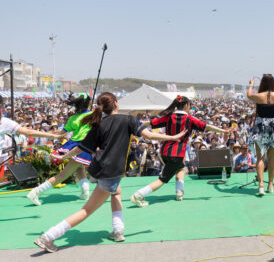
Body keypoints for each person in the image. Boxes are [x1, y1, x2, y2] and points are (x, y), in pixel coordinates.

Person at [34, 92, 186, 253]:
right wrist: (174, 137)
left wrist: (64, 155)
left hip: (98, 168)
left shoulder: (99, 123)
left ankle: (118, 230)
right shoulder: (129, 120)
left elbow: (81, 147)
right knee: (86, 210)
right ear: (115, 103)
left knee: (117, 191)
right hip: (111, 171)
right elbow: (148, 135)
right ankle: (48, 237)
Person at [130, 95, 229, 206]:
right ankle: (138, 195)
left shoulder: (169, 117)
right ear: (186, 105)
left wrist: (136, 122)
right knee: (162, 180)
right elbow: (208, 127)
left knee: (180, 168)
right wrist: (224, 131)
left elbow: (151, 123)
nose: (190, 108)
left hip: (164, 152)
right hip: (176, 154)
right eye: (190, 105)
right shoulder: (189, 119)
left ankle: (179, 192)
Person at [27, 93, 94, 206]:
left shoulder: (73, 118)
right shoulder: (93, 115)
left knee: (79, 168)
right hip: (83, 146)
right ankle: (35, 192)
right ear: (89, 103)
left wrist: (48, 134)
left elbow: (61, 133)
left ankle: (85, 192)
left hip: (73, 144)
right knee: (63, 175)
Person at [247, 74, 274, 195]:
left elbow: (248, 95)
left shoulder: (258, 96)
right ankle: (271, 185)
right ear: (273, 83)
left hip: (260, 127)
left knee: (260, 157)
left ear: (262, 83)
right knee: (272, 157)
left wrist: (251, 83)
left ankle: (261, 185)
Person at [0, 96, 60, 168]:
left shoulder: (4, 122)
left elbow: (28, 132)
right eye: (1, 107)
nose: (2, 110)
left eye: (2, 107)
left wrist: (50, 135)